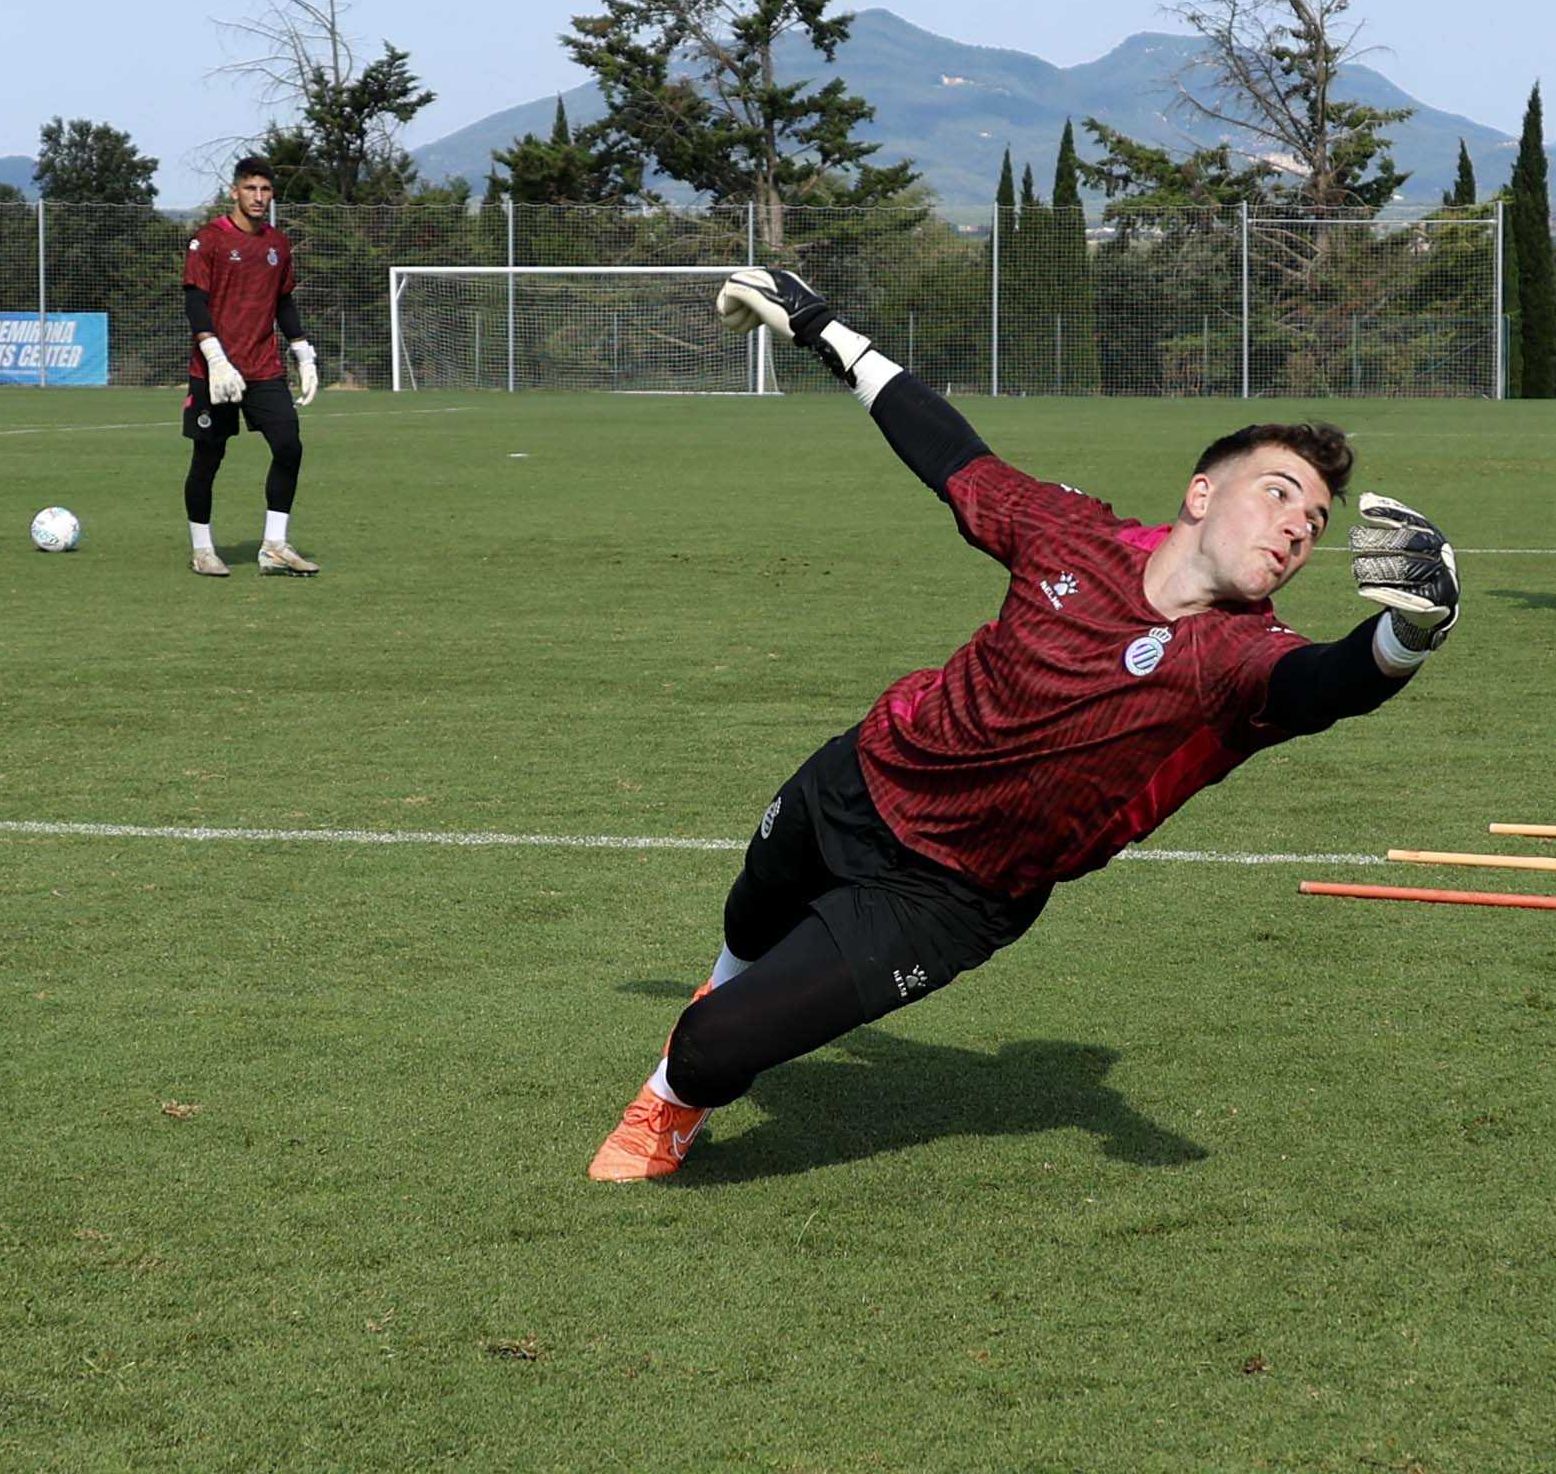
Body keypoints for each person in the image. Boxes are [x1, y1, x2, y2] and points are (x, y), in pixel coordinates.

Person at [588, 265, 1460, 1183]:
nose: (1297, 529)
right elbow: (951, 455)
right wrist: (820, 326)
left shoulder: (1240, 659)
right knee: (749, 915)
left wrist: (1407, 635)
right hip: (862, 776)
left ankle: (674, 1097)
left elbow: (1328, 683)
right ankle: (728, 984)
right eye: (1278, 493)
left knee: (709, 1050)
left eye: (1315, 522)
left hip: (950, 895)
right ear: (1202, 495)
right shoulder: (1072, 533)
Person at [180, 156, 320, 577]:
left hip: (263, 368)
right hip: (215, 370)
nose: (258, 197)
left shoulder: (278, 244)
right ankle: (203, 550)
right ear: (235, 192)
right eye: (250, 189)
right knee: (208, 458)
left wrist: (303, 352)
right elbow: (195, 302)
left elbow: (283, 301)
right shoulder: (209, 240)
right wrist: (215, 357)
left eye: (265, 189)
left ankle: (274, 546)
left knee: (289, 446)